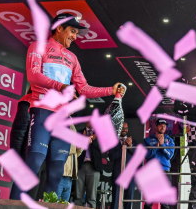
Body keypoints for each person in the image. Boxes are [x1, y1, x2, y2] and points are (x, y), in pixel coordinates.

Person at [10, 13, 125, 200]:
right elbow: (33, 75)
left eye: (76, 33)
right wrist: (61, 86)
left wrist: (110, 90)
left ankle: (49, 204)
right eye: (72, 31)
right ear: (59, 28)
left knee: (57, 166)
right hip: (42, 111)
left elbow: (84, 88)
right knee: (34, 160)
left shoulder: (72, 58)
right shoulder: (38, 47)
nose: (75, 36)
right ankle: (10, 205)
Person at [144, 119, 175, 209]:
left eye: (164, 126)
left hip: (165, 171)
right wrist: (156, 147)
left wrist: (162, 145)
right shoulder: (148, 140)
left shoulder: (170, 140)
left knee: (165, 202)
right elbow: (147, 155)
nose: (163, 127)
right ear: (156, 126)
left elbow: (169, 155)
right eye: (161, 125)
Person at [75, 124, 102, 208]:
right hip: (80, 166)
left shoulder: (100, 133)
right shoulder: (79, 132)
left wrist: (94, 139)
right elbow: (74, 147)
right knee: (78, 196)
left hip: (94, 167)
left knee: (92, 197)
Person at [109, 122, 136, 209]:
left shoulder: (132, 140)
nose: (125, 130)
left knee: (128, 199)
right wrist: (123, 146)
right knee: (116, 198)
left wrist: (130, 146)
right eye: (123, 128)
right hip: (117, 173)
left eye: (126, 128)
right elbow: (112, 156)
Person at [56, 125, 83, 202]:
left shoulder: (72, 123)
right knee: (55, 203)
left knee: (64, 204)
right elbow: (67, 149)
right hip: (60, 175)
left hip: (69, 177)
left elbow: (76, 154)